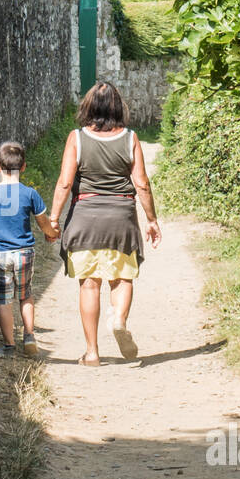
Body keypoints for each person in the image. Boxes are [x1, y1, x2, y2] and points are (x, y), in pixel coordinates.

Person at [48, 83, 162, 366]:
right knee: (122, 278)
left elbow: (64, 182)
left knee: (89, 285)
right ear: (117, 106)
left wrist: (53, 219)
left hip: (85, 215)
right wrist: (152, 219)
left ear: (88, 106)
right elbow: (142, 184)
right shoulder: (130, 138)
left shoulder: (76, 137)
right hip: (121, 217)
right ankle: (119, 319)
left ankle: (92, 353)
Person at [0, 141, 60, 358]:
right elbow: (43, 222)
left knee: (3, 300)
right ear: (24, 166)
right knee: (25, 295)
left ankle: (8, 345)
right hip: (25, 252)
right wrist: (51, 233)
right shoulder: (30, 194)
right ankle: (29, 335)